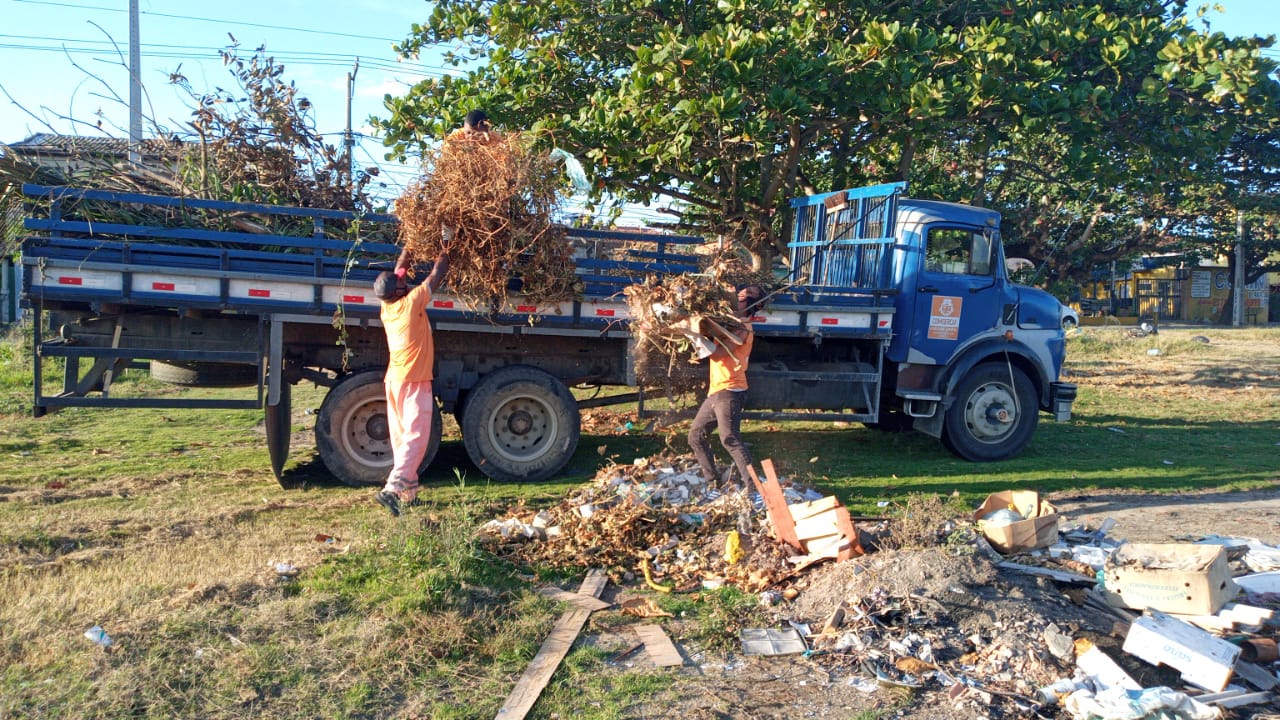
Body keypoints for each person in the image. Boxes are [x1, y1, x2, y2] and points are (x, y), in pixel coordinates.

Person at [372, 244, 450, 516]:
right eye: (401, 283)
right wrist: (446, 245)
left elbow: (398, 273)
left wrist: (409, 247)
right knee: (417, 437)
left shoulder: (387, 306)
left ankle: (408, 494)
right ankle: (392, 490)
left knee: (402, 438)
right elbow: (437, 275)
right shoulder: (412, 303)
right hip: (414, 380)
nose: (404, 281)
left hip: (394, 380)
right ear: (398, 291)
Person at [688, 285, 766, 485]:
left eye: (740, 299)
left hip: (731, 390)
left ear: (750, 306)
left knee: (729, 438)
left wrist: (693, 336)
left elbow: (720, 353)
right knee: (696, 435)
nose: (735, 300)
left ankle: (753, 487)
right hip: (717, 390)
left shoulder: (743, 329)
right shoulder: (729, 323)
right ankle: (712, 481)